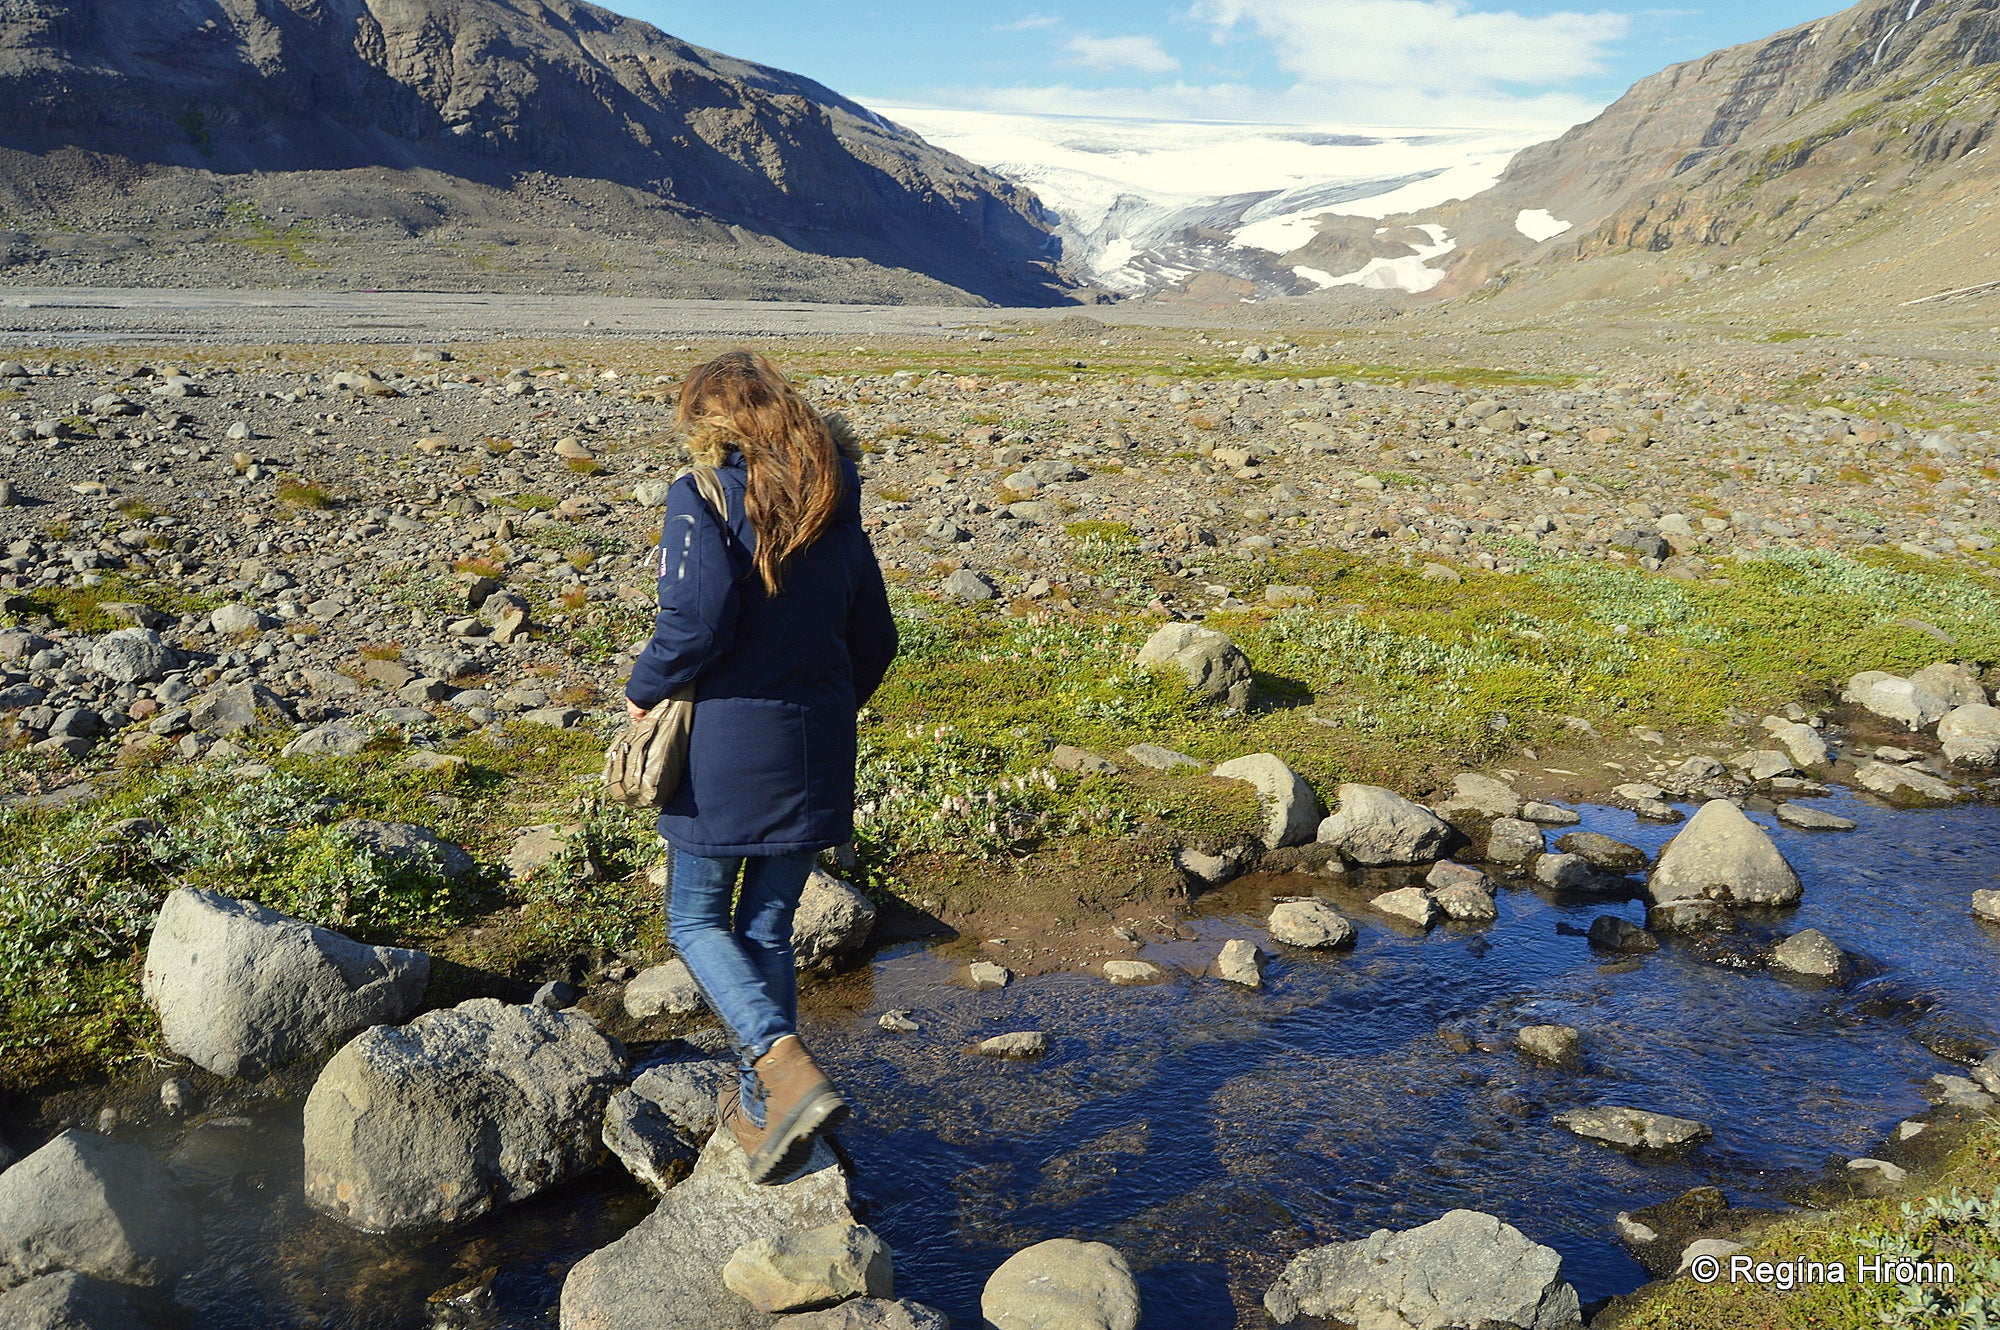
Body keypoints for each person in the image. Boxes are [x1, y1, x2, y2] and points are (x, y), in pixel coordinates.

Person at [623, 349, 898, 1185]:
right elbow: (877, 638)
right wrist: (820, 704)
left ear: (709, 418)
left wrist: (643, 690)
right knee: (768, 927)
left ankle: (781, 1066)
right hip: (818, 745)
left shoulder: (701, 494)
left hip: (727, 753)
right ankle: (763, 1112)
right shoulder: (832, 499)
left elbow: (697, 619)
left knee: (694, 921)